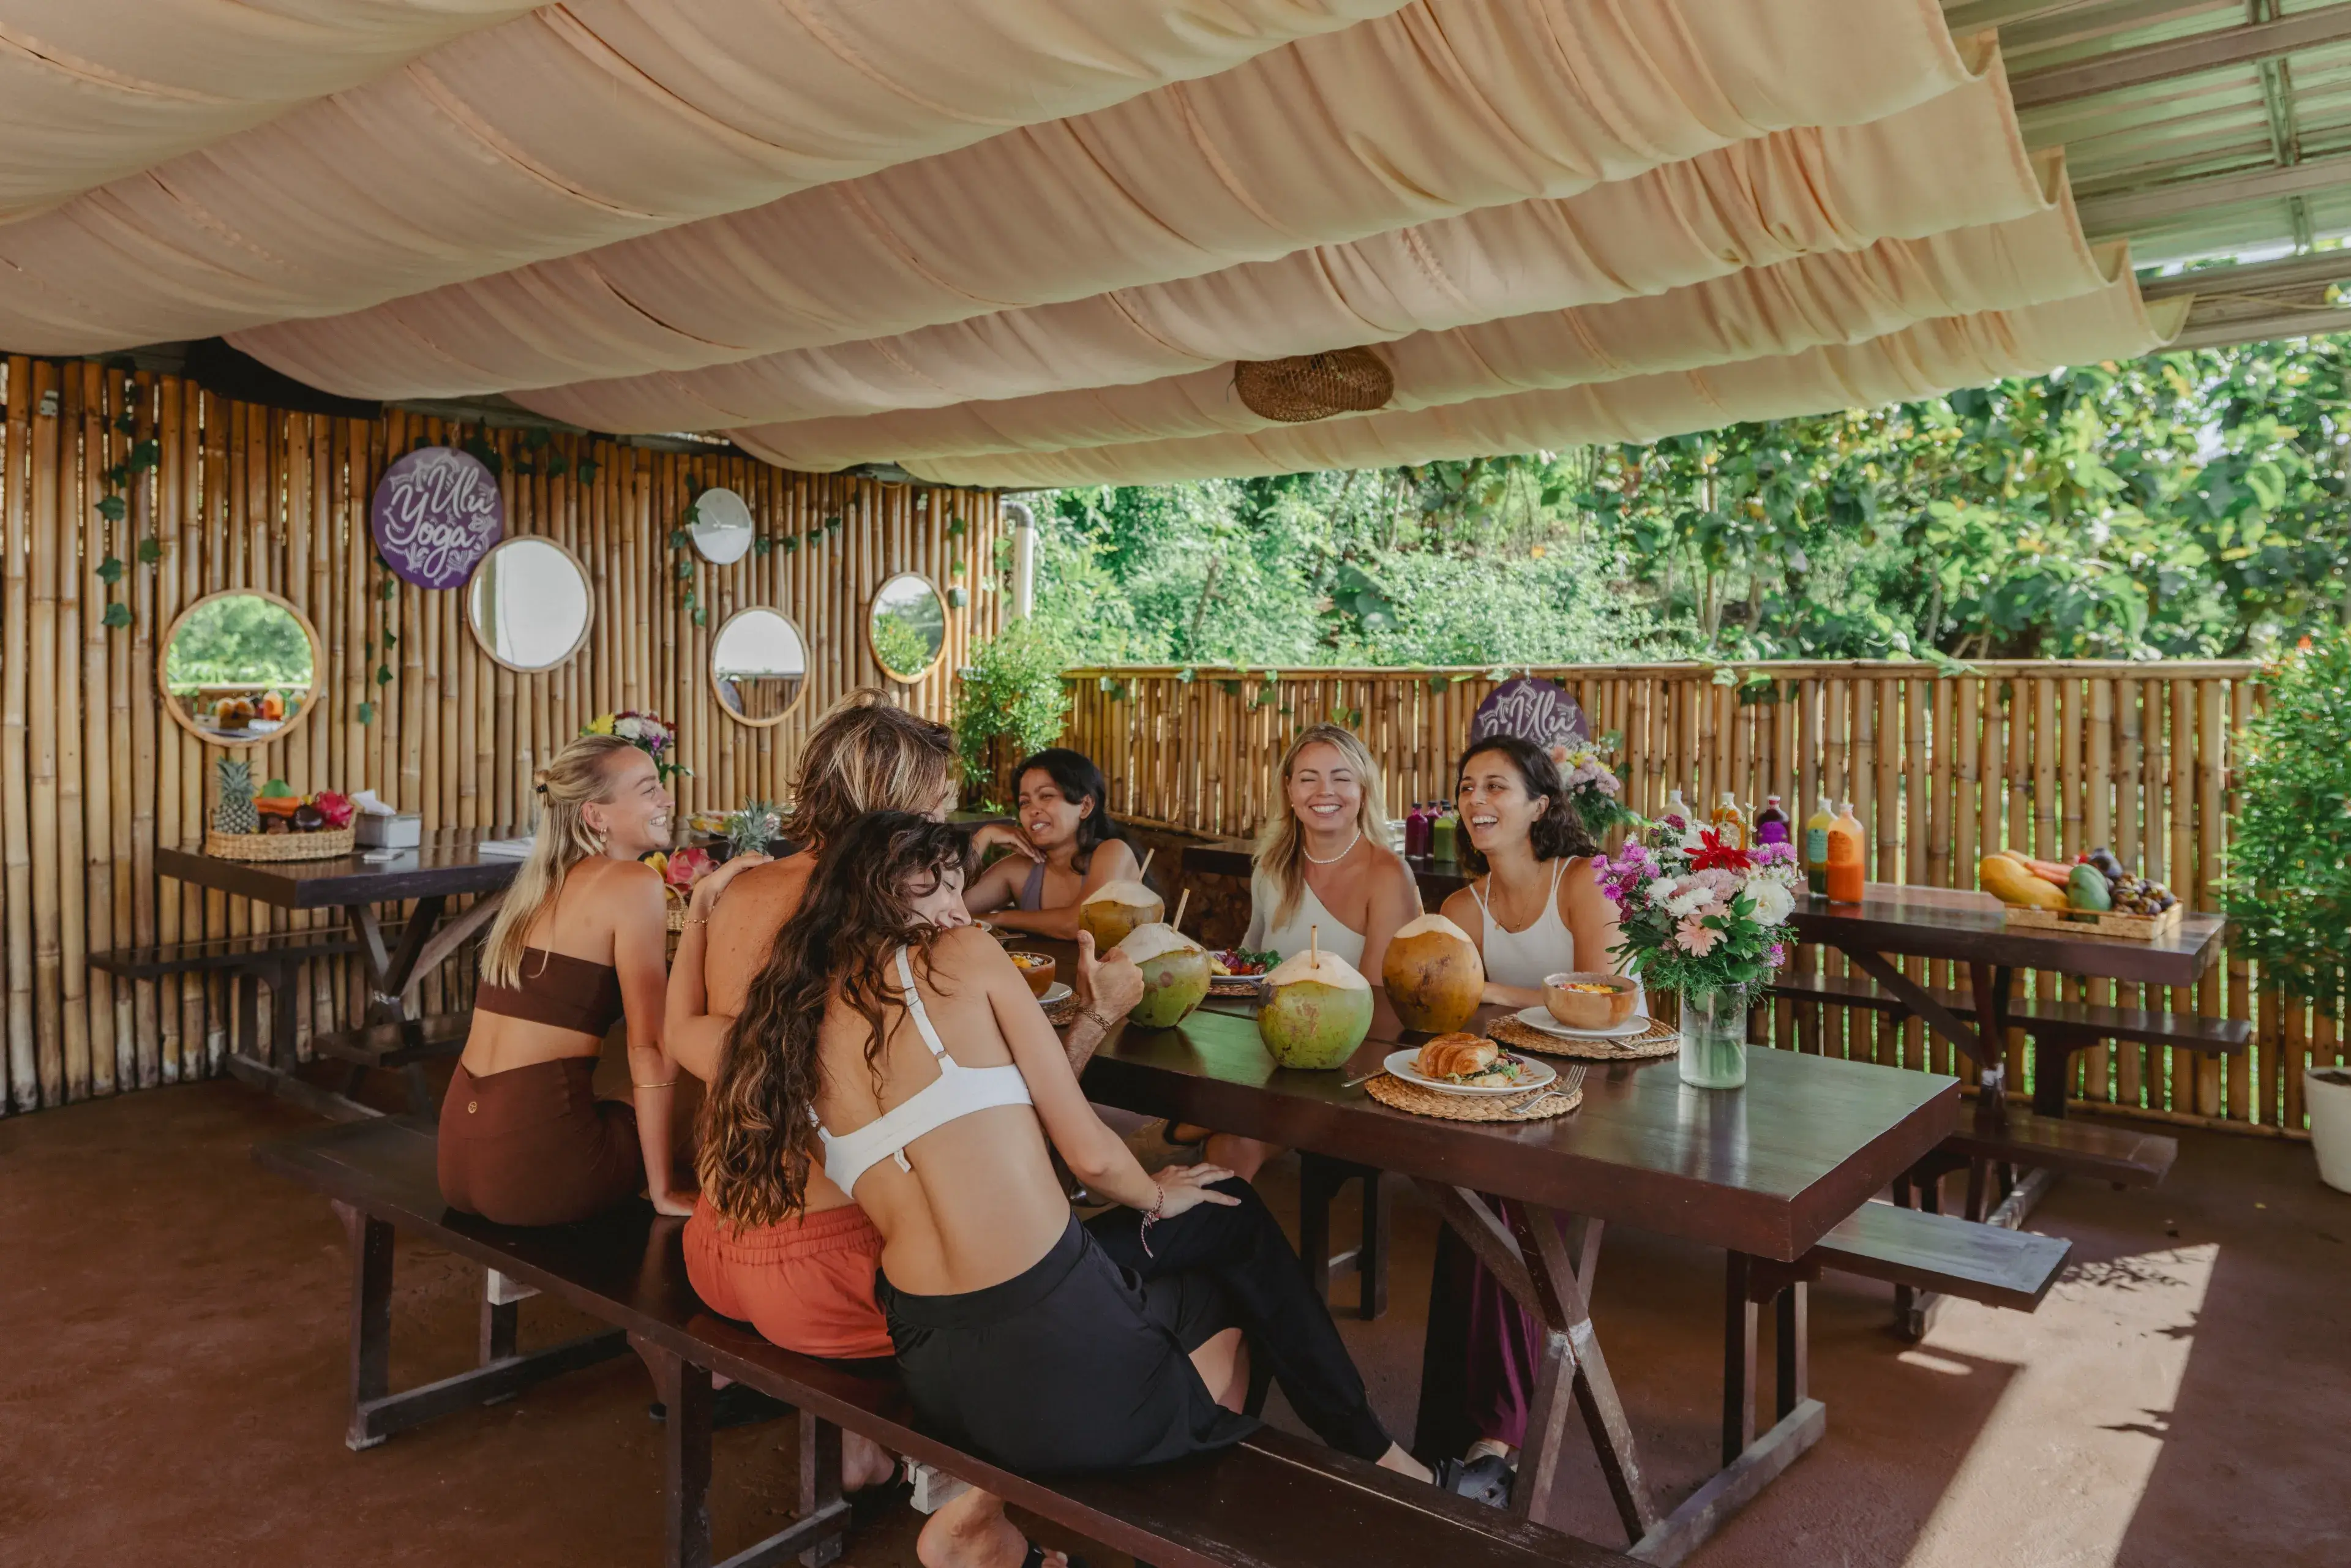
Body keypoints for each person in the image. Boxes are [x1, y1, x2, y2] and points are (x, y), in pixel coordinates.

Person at [701, 814, 1431, 1568]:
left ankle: (985, 1515)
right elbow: (1086, 1152)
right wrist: (1150, 1191)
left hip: (929, 1356)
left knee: (1215, 1213)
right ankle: (1265, 1487)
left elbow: (985, 1152)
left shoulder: (783, 1022)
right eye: (940, 887)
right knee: (1224, 1259)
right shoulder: (965, 956)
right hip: (1048, 1350)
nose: (959, 906)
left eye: (961, 885)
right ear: (876, 895)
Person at [661, 689, 1038, 1482]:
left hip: (717, 1244)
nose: (948, 822)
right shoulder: (877, 915)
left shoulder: (742, 890)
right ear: (893, 811)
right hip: (828, 1279)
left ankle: (861, 1447)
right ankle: (953, 1483)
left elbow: (691, 1039)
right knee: (1021, 1260)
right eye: (939, 803)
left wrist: (699, 910)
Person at [1419, 733, 1632, 1503]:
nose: (1476, 800)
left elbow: (1602, 996)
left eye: (1497, 787)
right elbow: (1442, 1001)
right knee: (1462, 1189)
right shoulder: (1456, 906)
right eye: (1467, 786)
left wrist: (1494, 992)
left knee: (1502, 1198)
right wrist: (1497, 999)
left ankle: (1500, 1437)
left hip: (1602, 1092)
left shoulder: (1583, 880)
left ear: (1540, 804)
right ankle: (1462, 1428)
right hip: (1505, 1091)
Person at [438, 734, 688, 1226]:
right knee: (698, 1076)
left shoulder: (535, 887)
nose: (667, 799)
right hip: (536, 1175)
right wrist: (661, 1189)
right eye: (648, 789)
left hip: (458, 1158)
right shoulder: (635, 883)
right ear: (596, 815)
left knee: (615, 1087)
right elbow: (651, 1049)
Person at [1191, 724, 1420, 1179]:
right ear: (1289, 791)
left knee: (1233, 1143)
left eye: (1341, 777)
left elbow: (1379, 1003)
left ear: (1363, 788)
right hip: (1266, 1050)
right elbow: (1251, 965)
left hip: (1346, 1062)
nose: (1325, 791)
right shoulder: (1272, 866)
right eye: (1309, 777)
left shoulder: (1388, 873)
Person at [962, 748, 1143, 940]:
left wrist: (996, 918)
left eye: (1046, 796)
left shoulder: (1114, 853)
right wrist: (983, 837)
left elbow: (1079, 924)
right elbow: (946, 907)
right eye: (1024, 802)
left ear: (1085, 806)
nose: (1033, 810)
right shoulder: (1019, 869)